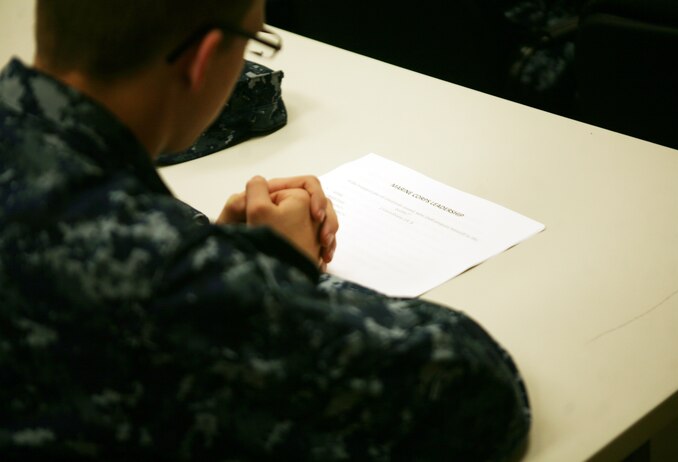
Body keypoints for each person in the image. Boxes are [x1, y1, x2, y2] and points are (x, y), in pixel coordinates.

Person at [0, 1, 530, 460]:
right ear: (205, 61)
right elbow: (475, 391)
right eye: (254, 39)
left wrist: (219, 248)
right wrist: (274, 267)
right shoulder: (158, 277)